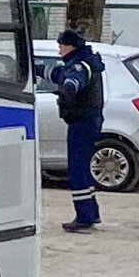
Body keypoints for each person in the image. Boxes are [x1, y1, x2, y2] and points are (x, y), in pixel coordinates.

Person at [48, 28, 108, 233]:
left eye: (61, 46)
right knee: (81, 168)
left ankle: (84, 217)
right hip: (85, 122)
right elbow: (56, 74)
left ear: (70, 46)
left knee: (77, 170)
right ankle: (91, 213)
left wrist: (68, 90)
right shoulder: (79, 62)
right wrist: (34, 68)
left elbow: (73, 81)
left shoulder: (80, 67)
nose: (59, 51)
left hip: (83, 123)